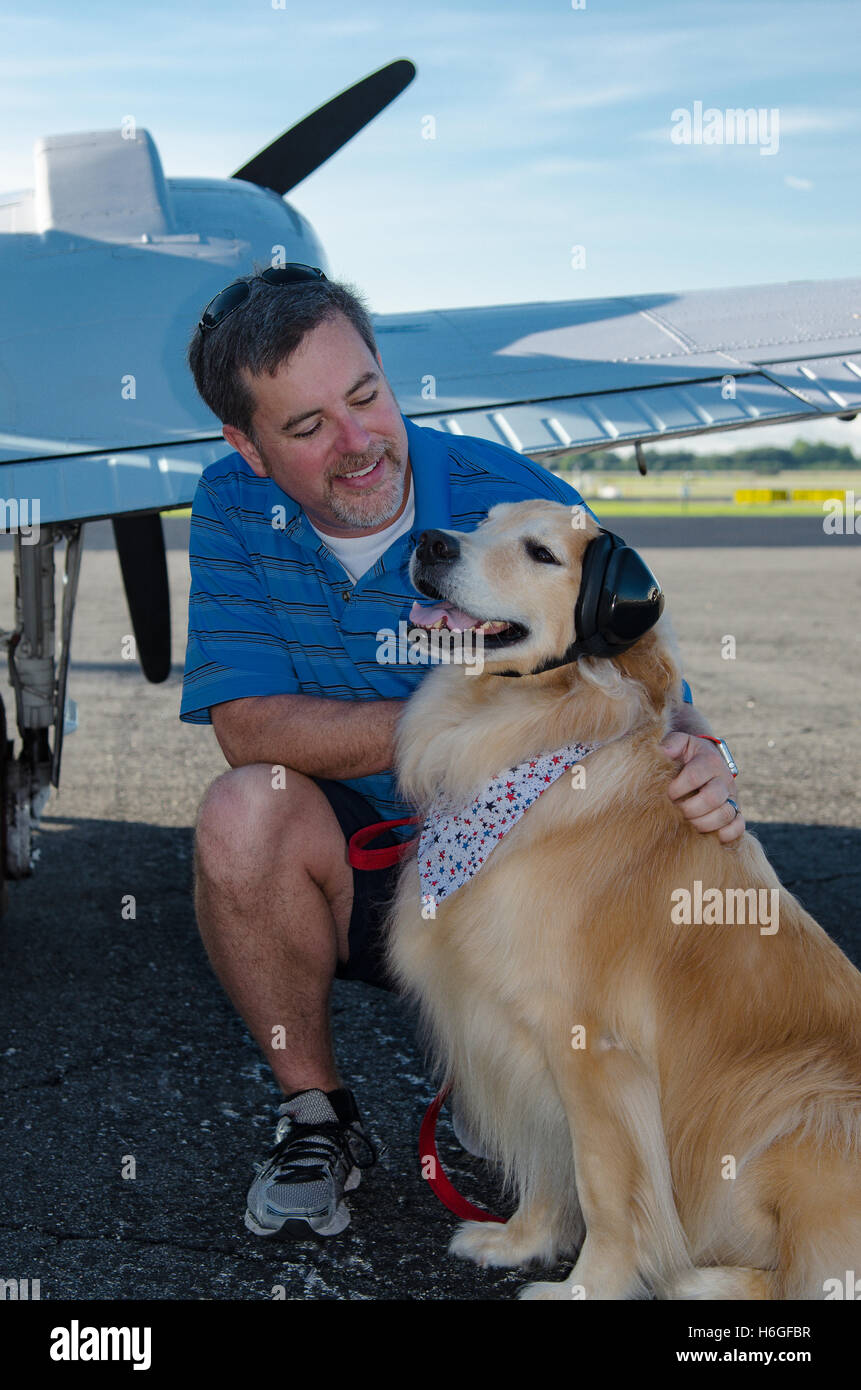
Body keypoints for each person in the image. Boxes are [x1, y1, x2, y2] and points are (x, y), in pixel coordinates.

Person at [180, 265, 744, 1240]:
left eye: (367, 398)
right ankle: (317, 1113)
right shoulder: (231, 506)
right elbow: (249, 727)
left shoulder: (518, 496)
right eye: (308, 427)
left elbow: (645, 685)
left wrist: (700, 752)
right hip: (369, 851)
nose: (359, 445)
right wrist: (470, 733)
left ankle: (580, 1117)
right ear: (248, 446)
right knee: (244, 808)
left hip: (534, 859)